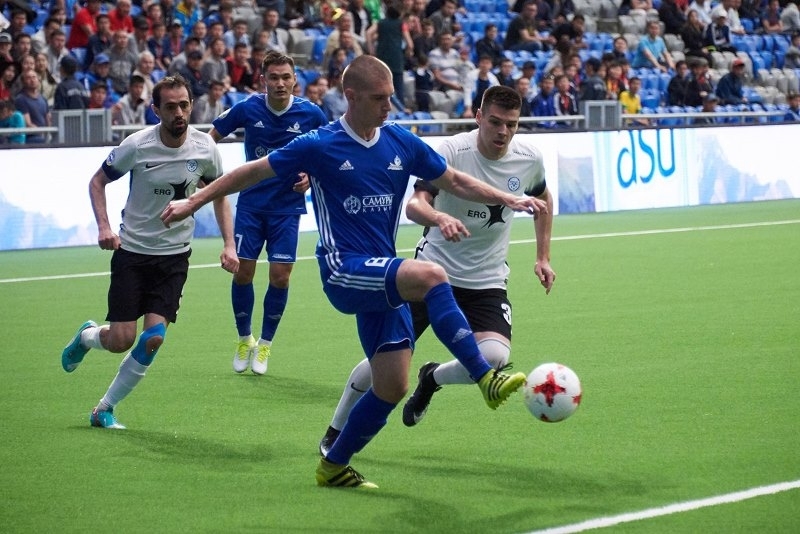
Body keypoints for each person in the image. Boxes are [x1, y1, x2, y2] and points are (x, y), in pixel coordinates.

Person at [161, 55, 544, 488]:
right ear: (352, 97)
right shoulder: (320, 144)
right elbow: (251, 172)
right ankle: (485, 377)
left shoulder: (400, 140)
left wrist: (507, 199)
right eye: (379, 98)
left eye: (391, 97)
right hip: (343, 268)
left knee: (393, 385)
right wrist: (193, 201)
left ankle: (333, 465)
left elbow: (453, 181)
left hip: (381, 275)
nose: (388, 106)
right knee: (433, 275)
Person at [317, 83, 554, 455]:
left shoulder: (529, 158)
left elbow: (543, 199)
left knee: (494, 358)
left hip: (487, 280)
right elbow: (415, 205)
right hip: (429, 276)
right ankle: (335, 429)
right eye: (495, 122)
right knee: (384, 361)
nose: (503, 132)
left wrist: (542, 257)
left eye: (511, 124)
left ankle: (432, 378)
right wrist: (439, 217)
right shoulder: (452, 151)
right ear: (478, 117)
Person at [60, 74, 238, 430]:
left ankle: (104, 409)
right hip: (133, 253)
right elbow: (97, 181)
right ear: (156, 110)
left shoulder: (205, 148)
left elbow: (218, 193)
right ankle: (87, 336)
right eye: (170, 107)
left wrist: (229, 244)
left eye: (184, 105)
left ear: (192, 105)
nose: (179, 113)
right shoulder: (137, 146)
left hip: (175, 258)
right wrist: (104, 227)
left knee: (153, 338)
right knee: (120, 340)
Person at [208, 51, 328, 375]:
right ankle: (244, 339)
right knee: (243, 273)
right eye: (273, 77)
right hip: (251, 204)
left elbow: (329, 151)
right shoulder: (248, 108)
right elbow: (210, 138)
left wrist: (311, 176)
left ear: (295, 80)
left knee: (280, 276)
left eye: (286, 77)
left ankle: (265, 344)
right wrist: (207, 169)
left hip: (287, 208)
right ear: (263, 80)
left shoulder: (311, 113)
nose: (280, 83)